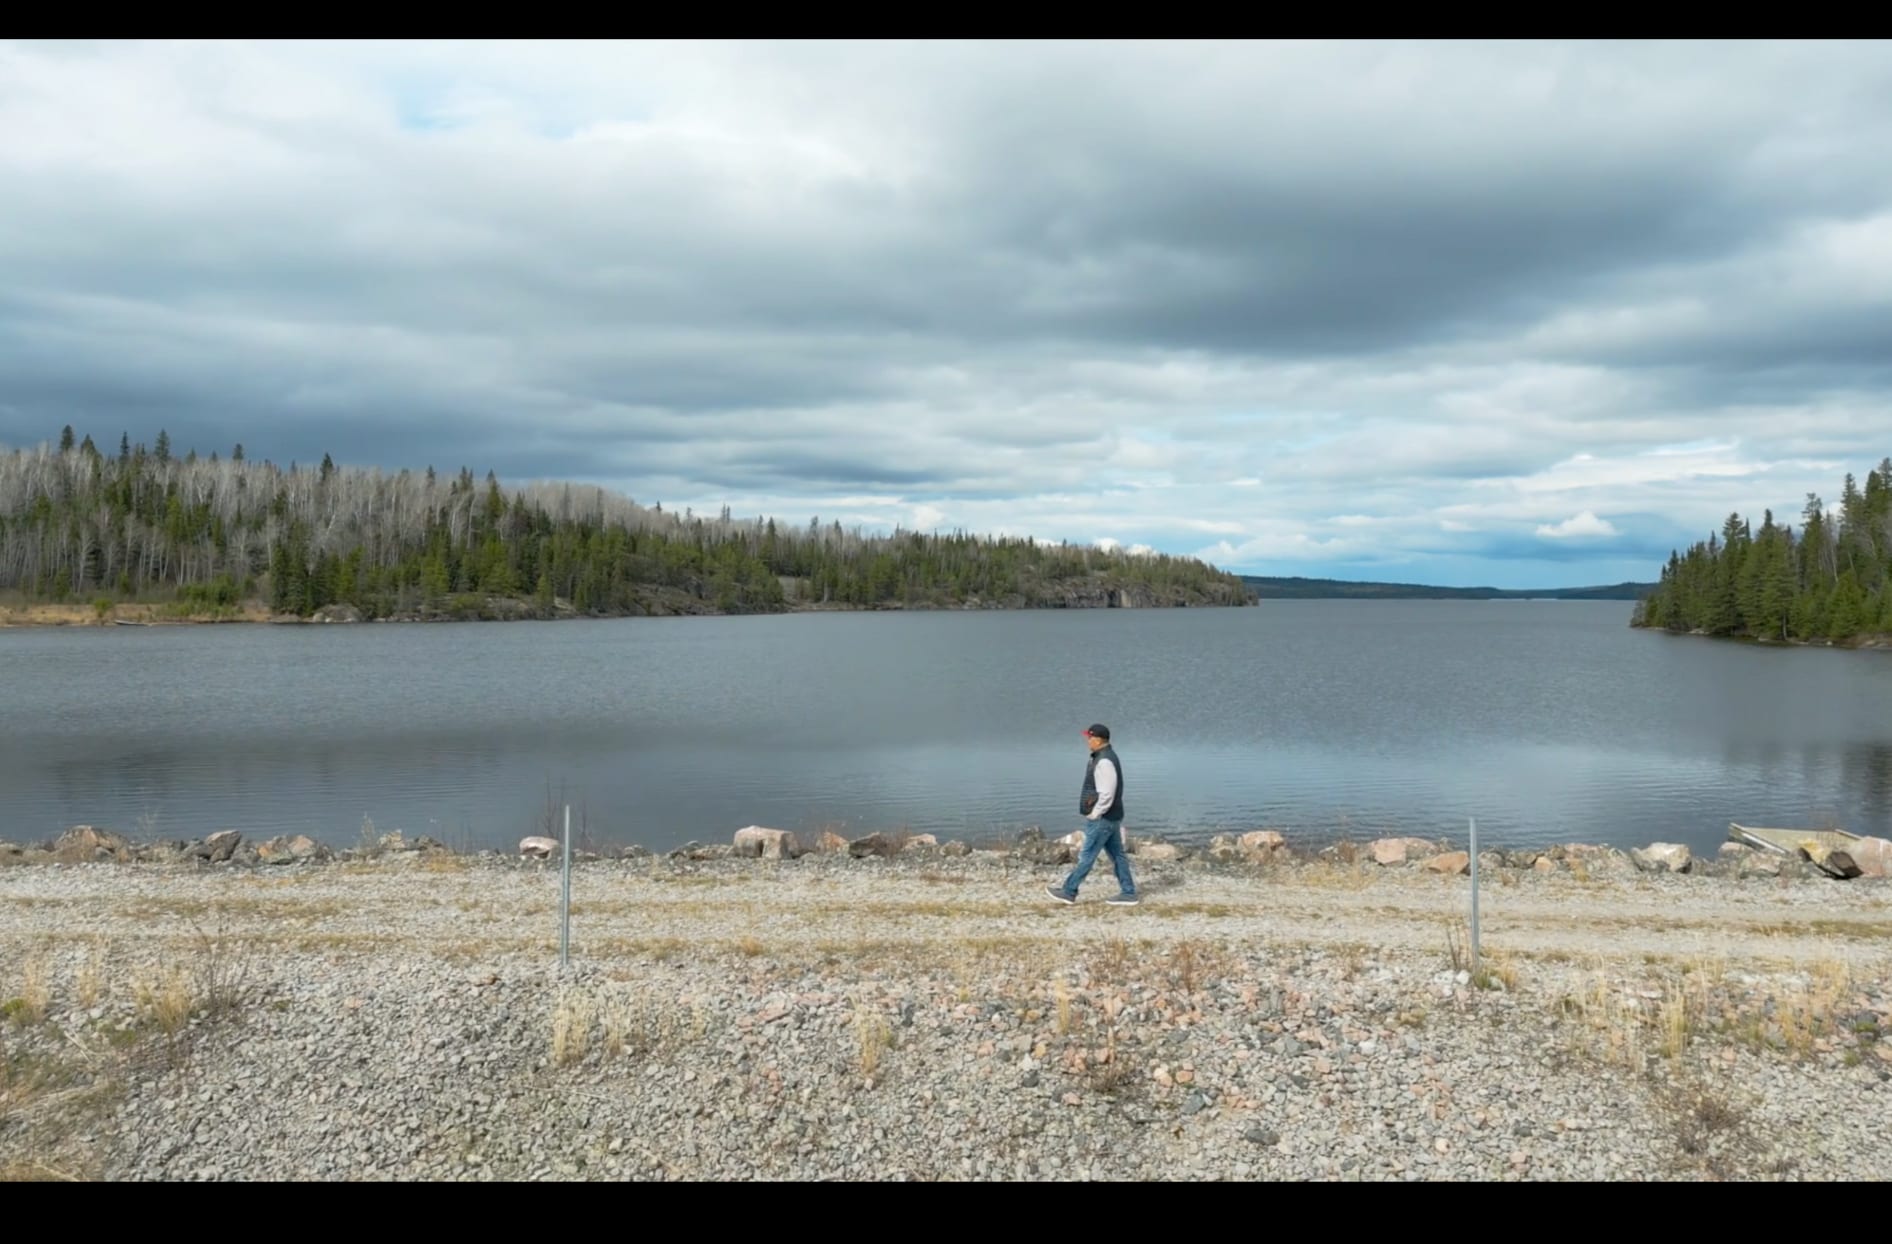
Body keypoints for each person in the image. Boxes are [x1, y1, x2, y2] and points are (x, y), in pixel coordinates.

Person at [1046, 723, 1138, 906]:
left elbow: (1107, 794)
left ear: (1098, 739)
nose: (1087, 741)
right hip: (1111, 817)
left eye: (1089, 737)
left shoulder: (1104, 761)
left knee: (1087, 855)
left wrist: (1095, 814)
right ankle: (1128, 893)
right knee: (1117, 855)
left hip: (1103, 818)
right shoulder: (1104, 757)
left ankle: (1069, 891)